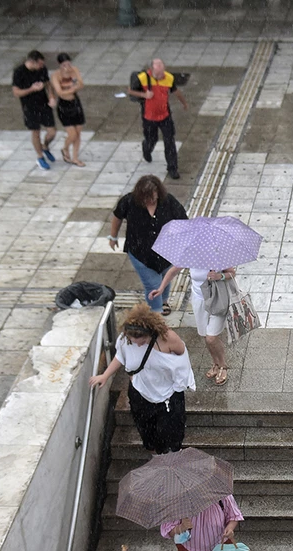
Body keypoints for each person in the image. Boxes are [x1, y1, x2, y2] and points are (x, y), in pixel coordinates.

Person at [89, 304, 196, 454]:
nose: (137, 343)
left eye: (142, 340)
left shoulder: (169, 338)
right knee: (147, 433)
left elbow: (182, 360)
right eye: (133, 340)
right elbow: (120, 355)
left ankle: (173, 459)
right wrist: (105, 375)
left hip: (168, 395)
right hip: (140, 393)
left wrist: (180, 383)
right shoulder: (125, 339)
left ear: (151, 332)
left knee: (171, 433)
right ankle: (156, 460)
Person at [109, 175, 188, 315]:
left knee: (165, 276)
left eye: (153, 196)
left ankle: (163, 300)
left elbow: (183, 222)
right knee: (152, 284)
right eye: (146, 197)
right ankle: (155, 312)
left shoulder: (169, 202)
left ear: (158, 192)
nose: (150, 200)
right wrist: (113, 237)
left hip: (167, 251)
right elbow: (117, 217)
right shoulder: (129, 201)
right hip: (140, 252)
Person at [151, 266, 236, 386]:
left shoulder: (219, 256)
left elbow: (232, 273)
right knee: (205, 336)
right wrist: (160, 289)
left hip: (218, 299)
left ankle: (223, 365)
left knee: (211, 338)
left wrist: (219, 276)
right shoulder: (192, 256)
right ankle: (215, 363)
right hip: (199, 300)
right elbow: (173, 271)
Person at [127, 58, 188, 180]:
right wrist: (144, 95)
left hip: (165, 116)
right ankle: (146, 147)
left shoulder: (168, 78)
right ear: (152, 70)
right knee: (152, 138)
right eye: (159, 73)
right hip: (149, 117)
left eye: (162, 72)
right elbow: (130, 91)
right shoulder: (143, 78)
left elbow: (176, 91)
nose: (161, 75)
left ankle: (172, 168)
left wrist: (184, 103)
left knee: (169, 141)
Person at [12, 50, 57, 171]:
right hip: (29, 106)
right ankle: (40, 156)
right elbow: (16, 92)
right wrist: (31, 89)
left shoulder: (42, 69)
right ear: (32, 62)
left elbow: (47, 83)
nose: (41, 66)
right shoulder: (19, 72)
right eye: (40, 64)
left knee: (52, 131)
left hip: (43, 103)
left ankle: (45, 146)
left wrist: (51, 96)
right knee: (35, 132)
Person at [50, 53, 86, 167]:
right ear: (60, 65)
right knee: (72, 134)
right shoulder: (56, 76)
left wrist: (71, 88)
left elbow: (81, 84)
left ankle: (75, 157)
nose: (67, 67)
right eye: (64, 65)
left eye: (69, 64)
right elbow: (59, 92)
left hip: (75, 103)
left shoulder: (74, 70)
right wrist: (72, 89)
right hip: (64, 106)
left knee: (78, 132)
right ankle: (65, 148)